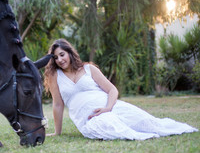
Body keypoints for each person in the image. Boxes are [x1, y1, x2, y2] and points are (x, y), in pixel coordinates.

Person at [43, 38, 198, 140]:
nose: (60, 60)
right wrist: (57, 132)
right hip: (89, 117)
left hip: (109, 106)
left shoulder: (89, 68)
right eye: (56, 58)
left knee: (147, 122)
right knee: (107, 127)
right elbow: (58, 104)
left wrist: (108, 107)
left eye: (62, 54)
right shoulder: (55, 76)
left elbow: (112, 90)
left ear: (69, 53)